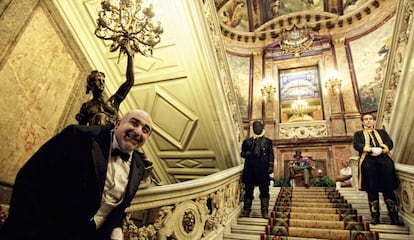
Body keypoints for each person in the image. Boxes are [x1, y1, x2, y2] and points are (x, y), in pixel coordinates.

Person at [0, 109, 154, 240]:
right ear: (118, 123)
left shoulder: (139, 168)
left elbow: (117, 209)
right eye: (134, 123)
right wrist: (26, 230)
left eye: (145, 130)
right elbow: (30, 178)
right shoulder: (78, 136)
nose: (138, 131)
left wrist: (117, 233)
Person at [353, 113, 403, 225]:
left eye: (370, 119)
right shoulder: (358, 134)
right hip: (368, 163)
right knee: (372, 190)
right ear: (362, 122)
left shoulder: (382, 132)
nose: (368, 121)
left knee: (388, 189)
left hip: (384, 161)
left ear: (374, 121)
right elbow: (357, 145)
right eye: (366, 119)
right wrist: (370, 149)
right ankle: (375, 217)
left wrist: (381, 149)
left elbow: (390, 143)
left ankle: (394, 216)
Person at [76, 52, 135, 126]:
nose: (101, 83)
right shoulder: (87, 106)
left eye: (103, 81)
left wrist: (130, 55)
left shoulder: (113, 102)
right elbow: (81, 129)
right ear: (91, 85)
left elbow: (130, 82)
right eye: (98, 80)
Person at [240, 121, 274, 218]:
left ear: (262, 127)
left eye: (258, 126)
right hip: (250, 169)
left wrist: (271, 166)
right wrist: (246, 154)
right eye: (255, 126)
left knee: (264, 191)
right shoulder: (247, 141)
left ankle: (264, 212)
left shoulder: (268, 141)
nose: (257, 128)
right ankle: (246, 210)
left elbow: (271, 155)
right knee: (248, 191)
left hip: (263, 170)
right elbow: (242, 153)